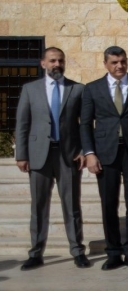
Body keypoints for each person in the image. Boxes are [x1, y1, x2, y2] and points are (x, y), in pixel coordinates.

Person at [15, 47, 90, 270]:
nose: (57, 64)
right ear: (43, 63)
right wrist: (21, 154)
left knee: (72, 205)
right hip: (39, 155)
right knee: (38, 206)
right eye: (52, 60)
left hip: (69, 155)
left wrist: (84, 150)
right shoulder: (30, 89)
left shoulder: (77, 89)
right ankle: (36, 253)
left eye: (60, 60)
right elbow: (22, 123)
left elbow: (85, 124)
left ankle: (77, 251)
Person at [79, 46, 128, 270]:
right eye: (114, 62)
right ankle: (113, 252)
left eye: (123, 61)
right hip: (105, 153)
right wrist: (90, 153)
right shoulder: (92, 89)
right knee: (108, 204)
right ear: (105, 64)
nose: (120, 66)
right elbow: (85, 124)